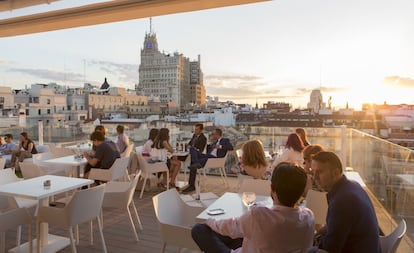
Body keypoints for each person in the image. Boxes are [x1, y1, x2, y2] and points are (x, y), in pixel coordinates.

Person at [191, 162, 315, 253]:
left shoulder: (259, 215)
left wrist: (209, 221)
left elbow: (229, 228)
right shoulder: (308, 217)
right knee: (242, 235)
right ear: (301, 192)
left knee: (199, 229)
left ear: (272, 188)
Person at [309, 151, 381, 253]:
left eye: (319, 172)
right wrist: (318, 234)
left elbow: (330, 248)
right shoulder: (353, 185)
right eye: (313, 172)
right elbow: (336, 226)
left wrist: (314, 243)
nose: (314, 177)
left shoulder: (342, 202)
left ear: (336, 173)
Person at [182, 128, 233, 193]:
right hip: (208, 156)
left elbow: (231, 147)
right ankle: (196, 163)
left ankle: (191, 185)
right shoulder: (214, 141)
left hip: (216, 159)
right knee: (192, 149)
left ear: (217, 134)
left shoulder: (225, 140)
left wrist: (220, 146)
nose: (212, 135)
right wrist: (209, 143)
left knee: (193, 164)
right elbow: (208, 150)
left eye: (213, 134)